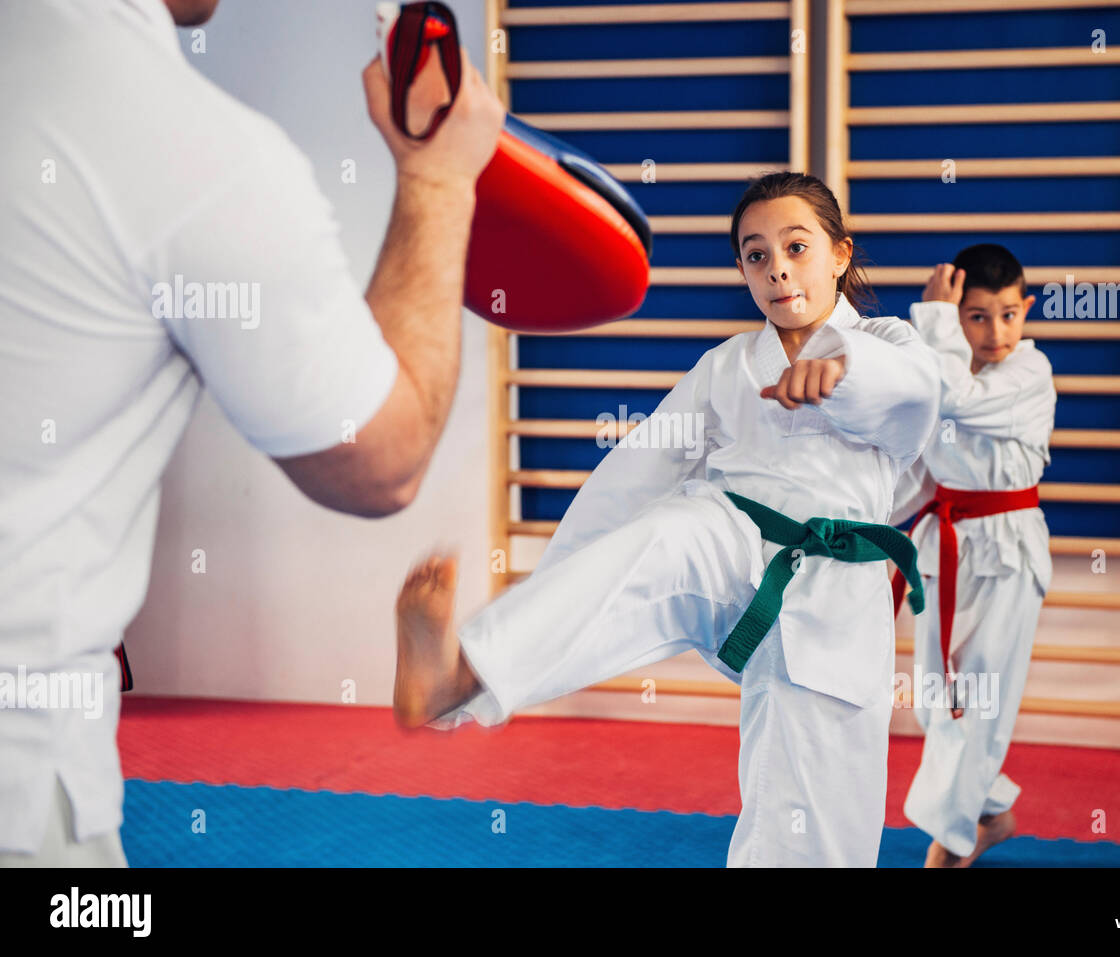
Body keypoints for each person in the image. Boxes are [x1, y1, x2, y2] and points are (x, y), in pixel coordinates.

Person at [0, 0, 504, 866]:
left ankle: (469, 673)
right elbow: (379, 459)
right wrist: (439, 177)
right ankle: (463, 677)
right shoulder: (181, 142)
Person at [393, 172, 941, 867]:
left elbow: (921, 398)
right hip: (732, 545)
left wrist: (843, 373)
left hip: (834, 599)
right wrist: (553, 591)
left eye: (796, 247)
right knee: (665, 536)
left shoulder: (884, 343)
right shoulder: (729, 365)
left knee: (810, 822)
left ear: (840, 253)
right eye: (756, 254)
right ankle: (463, 674)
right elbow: (631, 480)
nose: (777, 268)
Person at [889, 243, 1056, 867]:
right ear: (960, 319)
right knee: (937, 704)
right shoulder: (941, 374)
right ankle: (993, 810)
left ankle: (951, 846)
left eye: (1008, 314)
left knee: (980, 702)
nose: (995, 332)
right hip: (945, 549)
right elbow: (924, 476)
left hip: (1009, 553)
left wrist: (933, 323)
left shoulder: (1030, 373)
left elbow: (957, 398)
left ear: (1026, 310)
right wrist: (862, 527)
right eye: (976, 317)